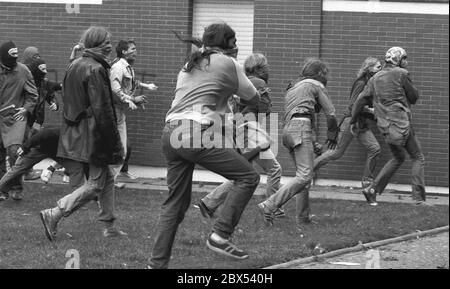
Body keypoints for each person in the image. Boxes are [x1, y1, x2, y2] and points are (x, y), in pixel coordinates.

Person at [148, 22, 260, 268]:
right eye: (235, 41)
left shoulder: (190, 64)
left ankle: (156, 265)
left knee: (175, 206)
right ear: (229, 43)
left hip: (170, 133)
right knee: (248, 177)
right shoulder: (228, 63)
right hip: (195, 132)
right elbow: (255, 97)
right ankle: (220, 235)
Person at [39, 26, 126, 242]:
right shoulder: (96, 69)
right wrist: (115, 143)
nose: (110, 45)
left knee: (106, 179)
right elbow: (103, 110)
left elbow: (71, 103)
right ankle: (55, 213)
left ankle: (109, 226)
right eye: (106, 41)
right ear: (95, 43)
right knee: (96, 183)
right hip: (94, 136)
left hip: (78, 133)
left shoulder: (75, 65)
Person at [197, 53, 284, 219]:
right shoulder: (259, 83)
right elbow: (264, 109)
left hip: (239, 129)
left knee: (243, 173)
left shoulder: (242, 81)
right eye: (266, 66)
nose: (268, 69)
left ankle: (209, 203)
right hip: (250, 129)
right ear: (260, 68)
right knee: (274, 170)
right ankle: (273, 209)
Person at [257, 57, 339, 228]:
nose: (327, 78)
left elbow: (304, 113)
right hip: (300, 128)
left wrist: (313, 141)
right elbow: (330, 113)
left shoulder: (294, 87)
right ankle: (270, 204)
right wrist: (332, 134)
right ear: (319, 74)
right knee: (304, 176)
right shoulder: (315, 85)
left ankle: (303, 218)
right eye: (326, 74)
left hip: (288, 131)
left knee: (303, 178)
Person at [350, 47, 427, 206]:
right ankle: (418, 199)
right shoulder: (401, 74)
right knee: (418, 157)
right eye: (404, 59)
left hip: (385, 126)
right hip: (401, 124)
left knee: (398, 157)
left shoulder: (375, 78)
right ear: (398, 60)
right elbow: (414, 98)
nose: (406, 62)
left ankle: (373, 189)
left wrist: (353, 121)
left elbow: (360, 101)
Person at [313, 57, 382, 189]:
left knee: (375, 149)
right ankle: (307, 172)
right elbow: (353, 105)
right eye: (378, 67)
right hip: (351, 122)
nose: (381, 69)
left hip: (360, 123)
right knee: (336, 153)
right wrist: (372, 110)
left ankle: (367, 182)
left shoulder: (371, 83)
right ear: (369, 69)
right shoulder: (361, 83)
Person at [110, 40, 157, 179]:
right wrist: (130, 100)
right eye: (132, 49)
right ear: (124, 52)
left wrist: (146, 86)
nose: (135, 51)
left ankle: (108, 181)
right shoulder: (118, 67)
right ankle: (106, 181)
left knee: (121, 150)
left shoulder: (128, 67)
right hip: (112, 112)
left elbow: (132, 82)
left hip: (119, 112)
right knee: (117, 150)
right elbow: (115, 89)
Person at [0, 128, 87, 200]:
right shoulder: (57, 134)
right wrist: (25, 146)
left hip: (58, 153)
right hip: (40, 149)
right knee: (18, 168)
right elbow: (42, 134)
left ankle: (78, 196)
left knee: (77, 168)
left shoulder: (80, 144)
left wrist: (51, 168)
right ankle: (2, 188)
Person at [0, 41, 38, 201]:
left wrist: (26, 109)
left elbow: (32, 94)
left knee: (15, 151)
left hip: (16, 116)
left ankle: (16, 187)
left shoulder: (23, 71)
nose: (13, 62)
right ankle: (3, 188)